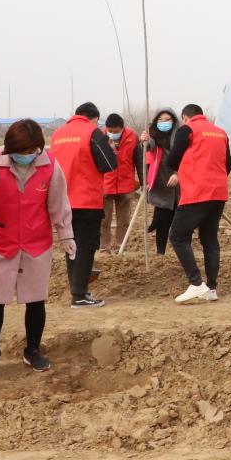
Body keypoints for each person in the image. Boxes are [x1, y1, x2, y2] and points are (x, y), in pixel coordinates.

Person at [0, 119, 74, 377]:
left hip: (36, 242)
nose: (26, 156)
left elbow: (58, 203)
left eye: (31, 151)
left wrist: (66, 234)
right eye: (20, 152)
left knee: (35, 299)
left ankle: (32, 350)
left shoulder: (50, 166)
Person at [49, 102, 118, 308]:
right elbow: (109, 164)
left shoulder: (57, 134)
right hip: (86, 199)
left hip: (62, 199)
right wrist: (111, 150)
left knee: (71, 246)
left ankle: (77, 288)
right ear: (94, 118)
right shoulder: (92, 132)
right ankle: (79, 295)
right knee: (86, 247)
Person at [162, 104, 231, 304]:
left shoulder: (187, 130)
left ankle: (196, 283)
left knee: (177, 235)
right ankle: (211, 288)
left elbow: (172, 160)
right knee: (209, 239)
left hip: (197, 191)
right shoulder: (220, 132)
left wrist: (188, 170)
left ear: (185, 117)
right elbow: (228, 165)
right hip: (218, 192)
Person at [141, 108, 181, 255]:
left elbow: (186, 157)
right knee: (163, 217)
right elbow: (149, 145)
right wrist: (144, 140)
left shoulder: (179, 136)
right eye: (160, 120)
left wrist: (178, 174)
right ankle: (160, 252)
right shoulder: (153, 135)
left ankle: (180, 251)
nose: (164, 123)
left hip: (178, 182)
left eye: (167, 120)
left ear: (174, 121)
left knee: (176, 219)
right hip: (161, 181)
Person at [100, 113, 140, 253]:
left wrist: (143, 180)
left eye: (115, 131)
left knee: (123, 220)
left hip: (126, 184)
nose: (112, 133)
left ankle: (120, 245)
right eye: (109, 131)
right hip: (105, 185)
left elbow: (138, 159)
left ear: (122, 129)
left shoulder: (133, 137)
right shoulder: (100, 137)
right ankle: (104, 246)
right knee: (104, 219)